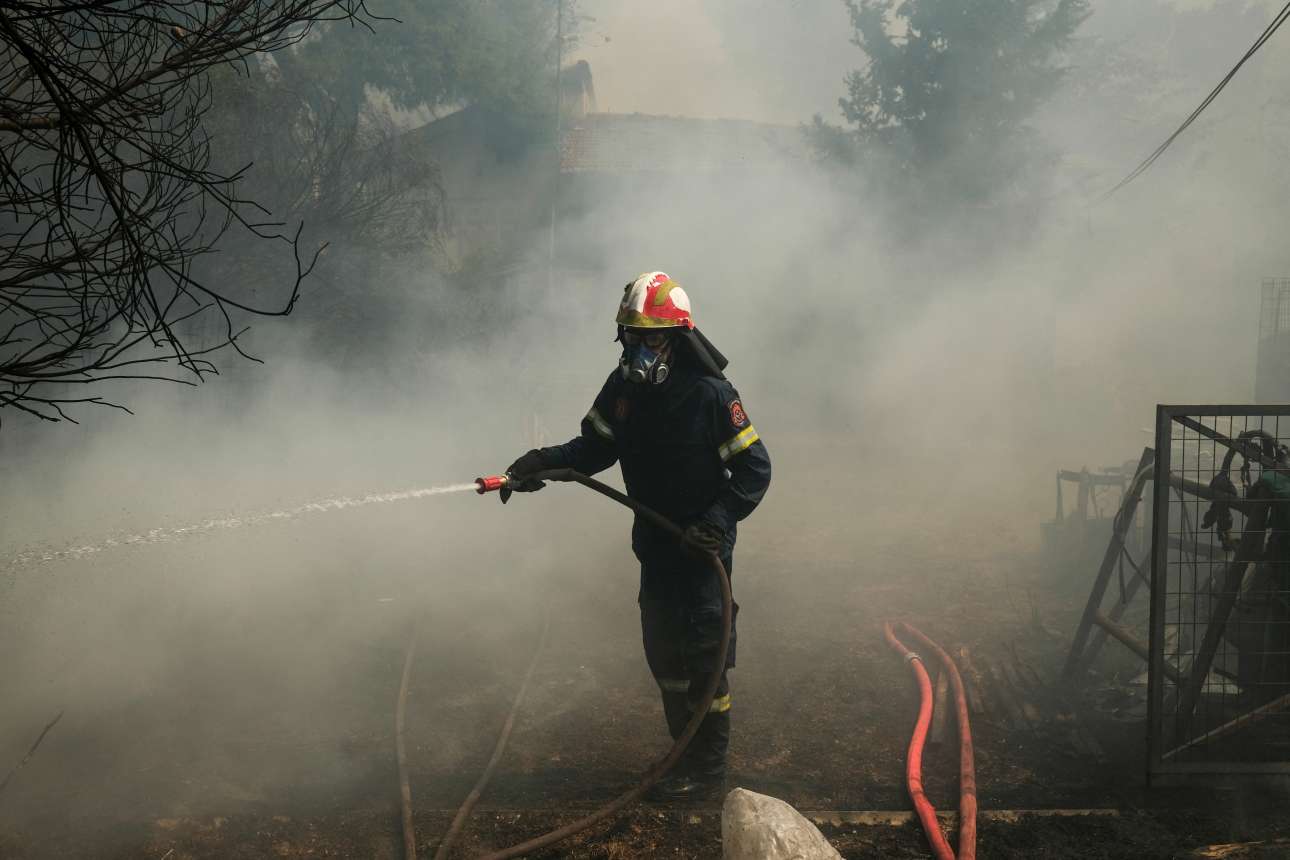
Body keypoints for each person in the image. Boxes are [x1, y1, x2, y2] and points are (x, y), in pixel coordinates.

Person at [501, 271, 772, 800]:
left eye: (648, 337)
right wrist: (541, 465)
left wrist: (717, 522)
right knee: (665, 659)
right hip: (655, 545)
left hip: (701, 549)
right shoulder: (623, 390)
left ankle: (709, 776)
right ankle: (682, 759)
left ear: (676, 337)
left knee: (705, 662)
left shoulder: (712, 396)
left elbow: (755, 470)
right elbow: (593, 450)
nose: (637, 349)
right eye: (630, 335)